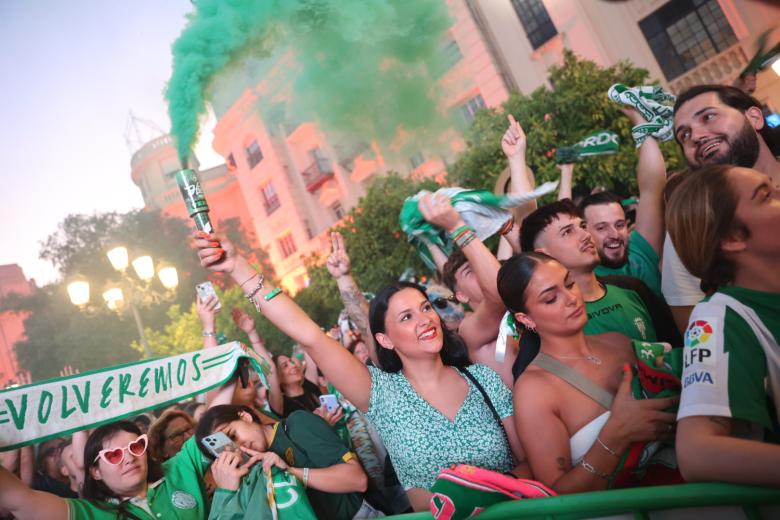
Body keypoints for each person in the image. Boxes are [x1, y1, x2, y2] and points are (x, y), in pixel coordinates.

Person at [190, 231, 527, 511]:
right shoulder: (381, 394)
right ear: (384, 339)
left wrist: (502, 502)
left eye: (425, 308)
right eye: (406, 317)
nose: (425, 319)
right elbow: (308, 334)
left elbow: (527, 463)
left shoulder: (482, 380)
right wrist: (236, 267)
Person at [497, 253, 677, 493]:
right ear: (525, 318)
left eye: (570, 283)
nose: (571, 298)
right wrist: (616, 435)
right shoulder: (534, 389)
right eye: (551, 298)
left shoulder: (619, 343)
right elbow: (558, 494)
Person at [666, 164, 780, 487]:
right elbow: (696, 452)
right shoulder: (720, 316)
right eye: (766, 195)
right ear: (731, 238)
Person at [515, 200, 681, 379]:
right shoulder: (546, 330)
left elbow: (678, 348)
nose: (586, 235)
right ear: (544, 255)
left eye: (582, 226)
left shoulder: (632, 288)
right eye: (568, 232)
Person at [664, 84, 780, 332]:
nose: (696, 136)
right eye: (684, 135)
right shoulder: (695, 227)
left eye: (708, 117)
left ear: (754, 117)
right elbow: (696, 330)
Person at [0, 419, 255, 519]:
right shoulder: (88, 513)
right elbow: (19, 499)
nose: (128, 458)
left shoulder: (178, 469)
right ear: (95, 472)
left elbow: (216, 419)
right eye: (113, 454)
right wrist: (226, 494)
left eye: (135, 447)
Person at [196, 404, 376, 519]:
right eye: (227, 448)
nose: (239, 446)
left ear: (245, 416)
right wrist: (227, 491)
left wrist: (289, 471)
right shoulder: (252, 473)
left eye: (233, 435)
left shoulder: (297, 424)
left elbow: (357, 480)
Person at [579, 107, 667, 297]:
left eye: (619, 225)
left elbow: (653, 186)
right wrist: (516, 158)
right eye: (601, 228)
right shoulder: (580, 275)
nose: (614, 235)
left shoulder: (640, 250)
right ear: (584, 232)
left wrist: (638, 117)